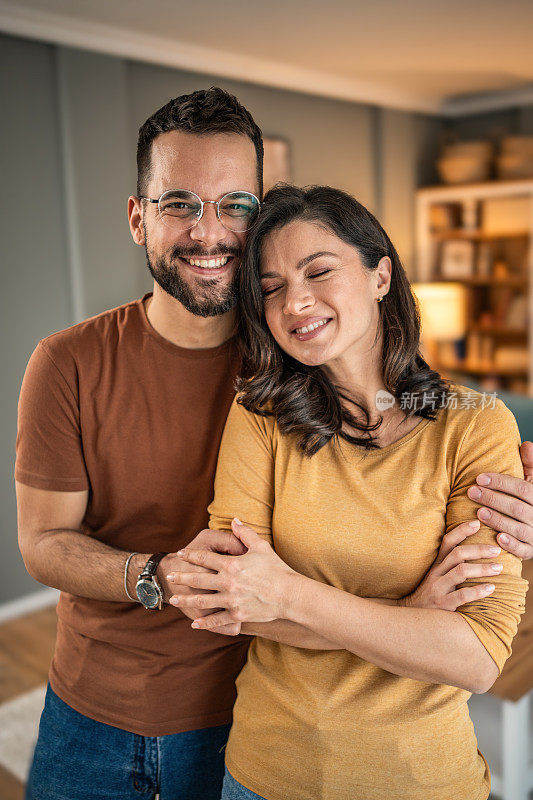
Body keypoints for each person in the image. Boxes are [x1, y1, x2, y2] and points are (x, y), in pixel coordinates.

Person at [14, 89, 533, 800]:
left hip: (238, 715)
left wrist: (508, 472)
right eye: (179, 204)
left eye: (235, 205)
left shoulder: (297, 375)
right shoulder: (81, 364)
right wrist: (159, 575)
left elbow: (429, 424)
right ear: (139, 218)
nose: (209, 231)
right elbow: (47, 542)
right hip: (101, 705)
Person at [169, 185, 530, 800]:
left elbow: (476, 656)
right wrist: (411, 618)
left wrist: (285, 593)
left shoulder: (476, 424)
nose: (296, 301)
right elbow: (232, 602)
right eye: (273, 286)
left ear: (380, 275)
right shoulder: (259, 417)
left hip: (422, 781)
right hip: (266, 776)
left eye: (319, 271)